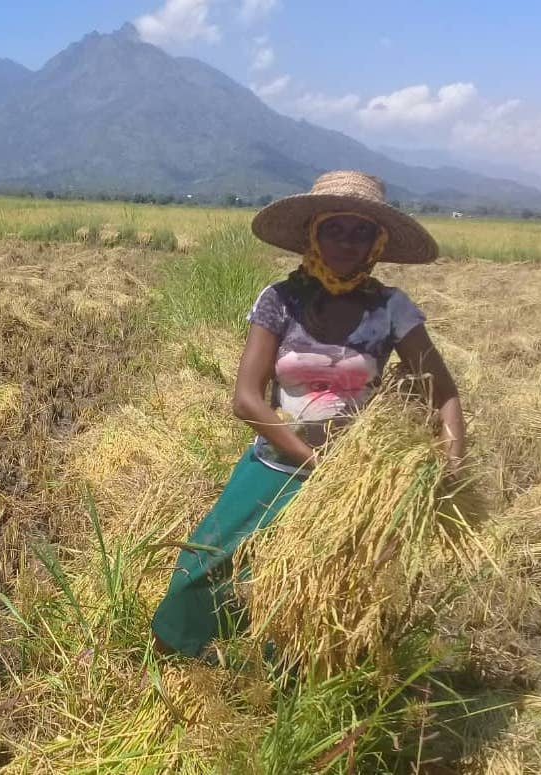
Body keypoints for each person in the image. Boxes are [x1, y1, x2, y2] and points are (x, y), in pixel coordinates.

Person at [151, 170, 465, 658]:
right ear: (314, 232)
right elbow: (246, 400)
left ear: (377, 242)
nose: (347, 241)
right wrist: (312, 463)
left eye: (362, 231)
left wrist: (450, 467)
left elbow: (443, 392)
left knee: (315, 596)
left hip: (355, 481)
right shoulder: (281, 300)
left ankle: (280, 685)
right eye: (335, 228)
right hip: (277, 464)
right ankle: (179, 665)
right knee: (201, 573)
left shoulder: (391, 308)